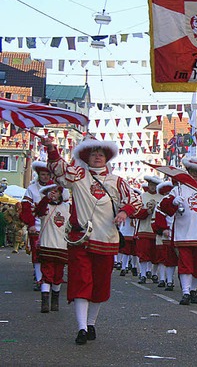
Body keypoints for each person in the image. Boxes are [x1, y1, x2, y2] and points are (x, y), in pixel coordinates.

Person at [44, 135, 142, 345]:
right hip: (81, 239)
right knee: (81, 282)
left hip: (107, 239)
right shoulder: (78, 176)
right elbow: (59, 169)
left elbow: (135, 200)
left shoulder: (118, 181)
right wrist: (52, 149)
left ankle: (91, 323)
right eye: (93, 154)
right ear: (85, 157)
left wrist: (125, 212)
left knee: (99, 285)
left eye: (100, 154)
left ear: (107, 158)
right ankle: (80, 328)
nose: (97, 157)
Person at [154, 157, 197, 306]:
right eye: (190, 172)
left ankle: (193, 289)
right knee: (185, 263)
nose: (193, 175)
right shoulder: (178, 189)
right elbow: (164, 209)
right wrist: (172, 202)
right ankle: (186, 292)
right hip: (183, 233)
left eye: (196, 172)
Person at [33, 183, 70, 313]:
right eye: (51, 191)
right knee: (47, 274)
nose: (54, 193)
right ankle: (45, 302)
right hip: (47, 245)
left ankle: (55, 301)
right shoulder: (45, 206)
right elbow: (38, 212)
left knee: (58, 275)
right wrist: (46, 199)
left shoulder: (67, 207)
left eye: (56, 191)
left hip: (62, 247)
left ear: (61, 194)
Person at [19, 161, 52, 291]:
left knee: (51, 253)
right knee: (37, 254)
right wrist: (31, 224)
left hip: (52, 227)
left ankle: (50, 277)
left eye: (47, 174)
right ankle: (39, 279)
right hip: (37, 226)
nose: (45, 177)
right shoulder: (31, 189)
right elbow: (26, 208)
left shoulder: (56, 188)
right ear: (39, 175)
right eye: (43, 174)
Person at [133, 175, 164, 284]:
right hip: (144, 229)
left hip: (157, 231)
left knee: (157, 254)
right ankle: (143, 274)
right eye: (151, 184)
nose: (152, 187)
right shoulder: (142, 196)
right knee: (143, 253)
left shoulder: (162, 197)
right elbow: (136, 213)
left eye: (154, 185)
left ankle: (154, 273)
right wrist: (148, 211)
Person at [151, 180, 178, 291]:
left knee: (184, 259)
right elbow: (158, 217)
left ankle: (189, 285)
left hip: (181, 233)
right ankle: (167, 280)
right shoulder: (162, 203)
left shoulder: (183, 199)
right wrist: (163, 229)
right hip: (168, 234)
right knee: (167, 258)